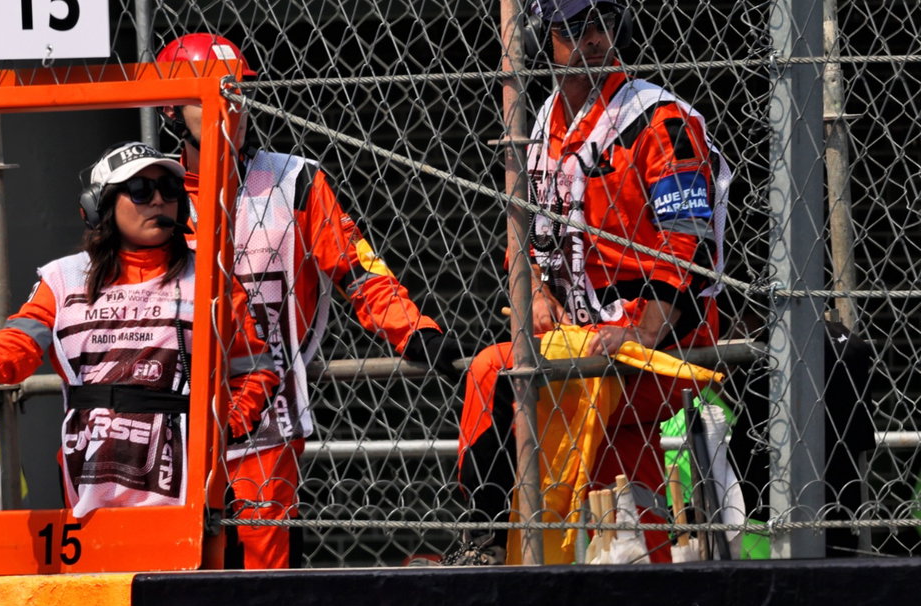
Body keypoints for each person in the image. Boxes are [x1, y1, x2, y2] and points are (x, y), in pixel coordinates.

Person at [154, 33, 460, 569]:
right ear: (172, 112)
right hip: (169, 414)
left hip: (266, 418)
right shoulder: (148, 192)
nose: (235, 106)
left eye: (241, 92)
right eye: (216, 94)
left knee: (263, 575)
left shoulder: (294, 180)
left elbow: (357, 269)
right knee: (173, 567)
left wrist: (411, 330)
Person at [448, 0, 731, 564]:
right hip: (583, 347)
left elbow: (687, 241)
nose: (591, 38)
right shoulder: (540, 127)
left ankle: (483, 547)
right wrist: (538, 294)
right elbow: (521, 235)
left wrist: (643, 331)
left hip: (654, 345)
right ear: (542, 36)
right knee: (628, 495)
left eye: (601, 21)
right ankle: (610, 575)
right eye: (572, 27)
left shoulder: (659, 118)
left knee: (490, 372)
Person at [0, 141, 277, 518]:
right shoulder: (64, 277)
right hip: (87, 489)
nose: (159, 201)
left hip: (185, 497)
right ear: (100, 207)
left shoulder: (212, 277)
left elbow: (254, 368)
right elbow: (21, 340)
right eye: (141, 190)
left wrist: (220, 433)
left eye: (170, 190)